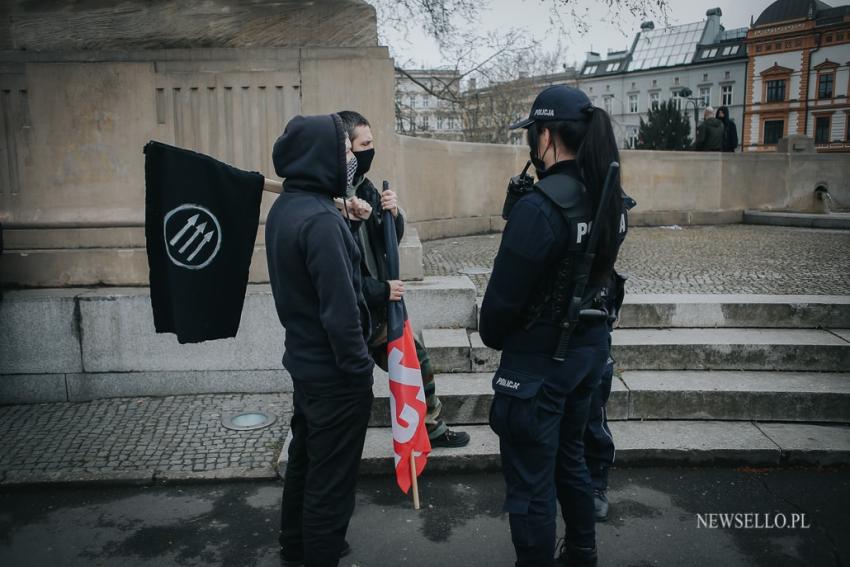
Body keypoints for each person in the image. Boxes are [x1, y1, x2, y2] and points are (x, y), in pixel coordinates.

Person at [481, 85, 627, 567]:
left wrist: (499, 338)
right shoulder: (609, 196)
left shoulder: (542, 206)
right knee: (572, 461)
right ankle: (583, 552)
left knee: (531, 485)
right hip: (587, 352)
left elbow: (500, 304)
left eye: (532, 135)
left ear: (546, 135)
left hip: (540, 363)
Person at [266, 113, 374, 567]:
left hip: (305, 364)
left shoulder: (288, 208)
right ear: (321, 156)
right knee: (330, 486)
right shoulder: (321, 220)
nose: (353, 158)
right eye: (346, 150)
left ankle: (294, 546)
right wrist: (359, 369)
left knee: (306, 464)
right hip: (335, 374)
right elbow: (339, 309)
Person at [337, 109, 470, 448]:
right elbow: (342, 271)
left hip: (378, 313)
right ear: (346, 148)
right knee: (348, 394)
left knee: (414, 363)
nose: (370, 150)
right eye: (364, 144)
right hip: (352, 318)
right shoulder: (330, 198)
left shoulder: (364, 189)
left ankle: (431, 429)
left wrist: (393, 215)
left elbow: (384, 245)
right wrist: (379, 290)